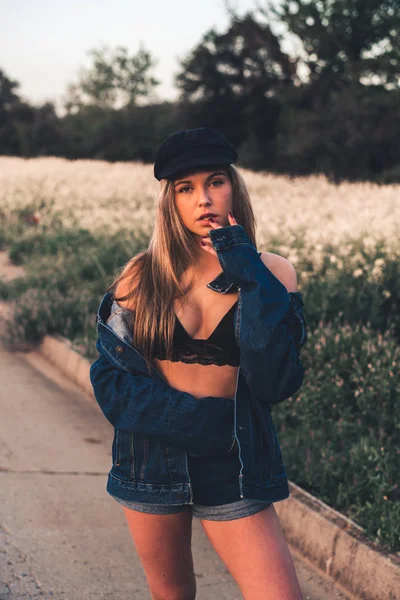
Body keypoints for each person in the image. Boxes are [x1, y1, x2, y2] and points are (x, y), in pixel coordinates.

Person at [90, 127, 308, 599]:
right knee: (172, 594)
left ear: (234, 187)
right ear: (170, 202)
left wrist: (248, 276)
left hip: (234, 463)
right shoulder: (141, 274)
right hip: (149, 459)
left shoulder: (273, 272)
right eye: (185, 189)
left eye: (214, 182)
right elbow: (110, 381)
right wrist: (210, 423)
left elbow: (274, 381)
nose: (203, 199)